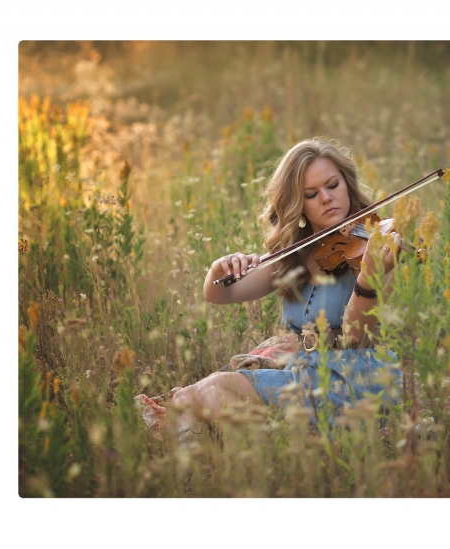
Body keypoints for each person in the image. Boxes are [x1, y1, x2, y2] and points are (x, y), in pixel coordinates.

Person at [148, 137, 402, 440]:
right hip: (305, 375)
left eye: (332, 185)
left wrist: (368, 278)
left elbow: (357, 336)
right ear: (298, 204)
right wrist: (220, 267)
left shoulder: (375, 246)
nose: (326, 198)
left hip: (354, 379)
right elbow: (219, 293)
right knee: (194, 395)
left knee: (215, 389)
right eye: (311, 194)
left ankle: (263, 450)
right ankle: (227, 453)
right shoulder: (295, 255)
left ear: (346, 184)